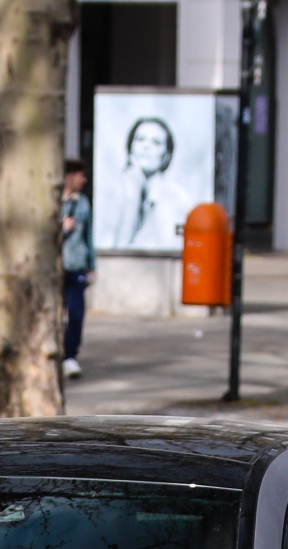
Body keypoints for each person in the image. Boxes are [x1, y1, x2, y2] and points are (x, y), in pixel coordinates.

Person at [109, 115, 196, 250]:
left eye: (156, 142)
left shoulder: (176, 198)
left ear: (166, 156)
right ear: (130, 147)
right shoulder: (114, 191)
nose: (146, 147)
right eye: (140, 139)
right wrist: (132, 200)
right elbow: (115, 254)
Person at [59, 159, 95, 378]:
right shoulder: (53, 202)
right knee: (53, 316)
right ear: (69, 177)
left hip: (76, 266)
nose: (84, 180)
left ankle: (70, 356)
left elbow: (89, 236)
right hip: (56, 269)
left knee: (76, 313)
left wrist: (92, 265)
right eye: (80, 175)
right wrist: (62, 230)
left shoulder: (83, 203)